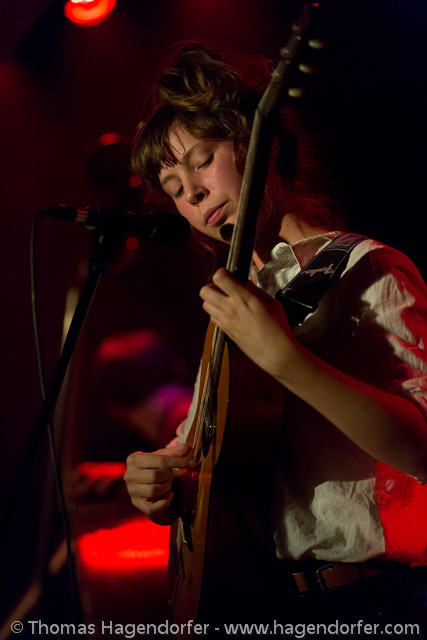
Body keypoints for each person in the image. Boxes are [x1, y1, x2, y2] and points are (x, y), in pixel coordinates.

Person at [124, 44, 427, 635]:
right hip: (263, 602)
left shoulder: (368, 270)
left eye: (202, 161)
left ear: (255, 143)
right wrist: (159, 476)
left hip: (367, 601)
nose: (192, 194)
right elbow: (202, 449)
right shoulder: (236, 303)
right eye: (173, 185)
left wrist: (286, 359)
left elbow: (420, 447)